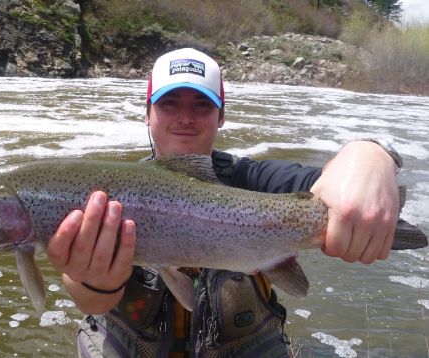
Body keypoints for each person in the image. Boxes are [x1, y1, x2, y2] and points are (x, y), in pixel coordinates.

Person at [47, 48, 401, 357]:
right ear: (148, 112)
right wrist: (93, 283)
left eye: (202, 105)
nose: (185, 117)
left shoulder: (252, 180)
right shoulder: (111, 196)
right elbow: (91, 303)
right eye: (170, 103)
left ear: (221, 116)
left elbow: (330, 186)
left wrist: (371, 155)